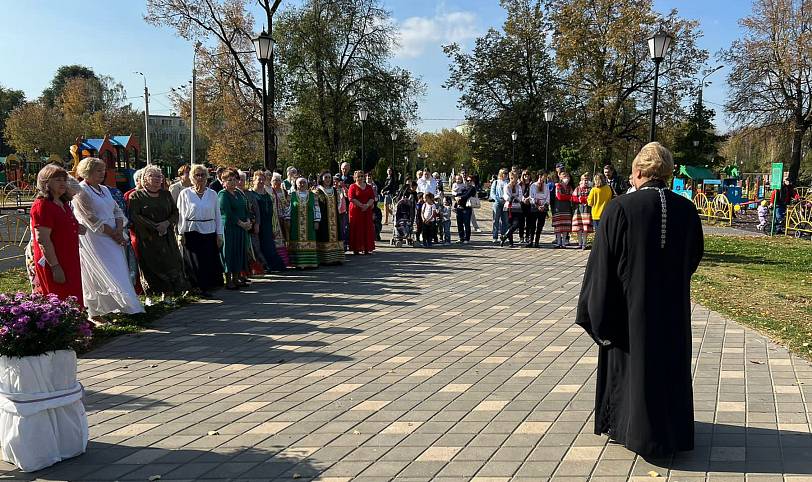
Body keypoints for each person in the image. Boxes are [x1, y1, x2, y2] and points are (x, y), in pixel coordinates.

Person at [575, 141, 704, 456]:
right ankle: (670, 430)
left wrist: (597, 311)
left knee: (631, 364)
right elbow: (694, 256)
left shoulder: (620, 208)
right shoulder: (687, 209)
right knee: (669, 364)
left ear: (638, 171)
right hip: (671, 305)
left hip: (629, 308)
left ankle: (632, 428)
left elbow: (602, 264)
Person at [72, 157, 144, 321]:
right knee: (99, 271)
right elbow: (90, 218)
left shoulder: (104, 189)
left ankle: (119, 305)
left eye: (103, 170)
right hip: (96, 237)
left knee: (117, 269)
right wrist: (113, 233)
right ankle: (96, 311)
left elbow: (117, 210)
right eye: (98, 170)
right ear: (87, 172)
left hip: (113, 236)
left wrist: (119, 230)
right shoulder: (81, 190)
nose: (102, 173)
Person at [128, 165, 188, 296]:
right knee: (152, 265)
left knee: (171, 263)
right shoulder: (136, 196)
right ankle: (155, 294)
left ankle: (172, 293)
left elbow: (175, 212)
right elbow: (135, 216)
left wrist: (166, 223)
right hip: (148, 239)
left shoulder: (166, 194)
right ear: (144, 178)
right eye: (152, 176)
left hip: (167, 237)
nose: (156, 179)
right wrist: (155, 226)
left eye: (159, 176)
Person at [29, 164, 84, 304]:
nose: (63, 183)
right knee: (58, 296)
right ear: (46, 183)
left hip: (69, 256)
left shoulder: (62, 202)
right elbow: (43, 239)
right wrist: (55, 266)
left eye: (64, 180)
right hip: (54, 259)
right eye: (58, 180)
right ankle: (64, 325)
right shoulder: (43, 205)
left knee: (73, 294)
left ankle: (77, 323)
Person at [177, 164, 225, 297]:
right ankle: (196, 287)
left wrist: (219, 234)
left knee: (207, 261)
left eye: (203, 175)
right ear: (192, 177)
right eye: (197, 175)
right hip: (192, 231)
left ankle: (207, 287)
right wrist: (181, 233)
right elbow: (181, 215)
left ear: (207, 177)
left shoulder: (212, 194)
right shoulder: (185, 194)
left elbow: (217, 215)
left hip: (209, 231)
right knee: (194, 262)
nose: (200, 177)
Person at [218, 168, 251, 289]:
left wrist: (248, 221)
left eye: (234, 180)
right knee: (229, 252)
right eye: (229, 180)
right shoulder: (222, 194)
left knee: (239, 251)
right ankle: (228, 279)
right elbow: (227, 212)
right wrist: (241, 223)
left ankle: (236, 278)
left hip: (241, 228)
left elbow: (245, 208)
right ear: (223, 182)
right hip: (229, 228)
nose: (232, 182)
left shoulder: (238, 193)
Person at [248, 171, 286, 272]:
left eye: (262, 179)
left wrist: (274, 226)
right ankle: (263, 266)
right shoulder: (251, 194)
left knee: (269, 245)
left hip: (268, 223)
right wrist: (255, 224)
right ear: (254, 180)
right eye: (258, 179)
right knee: (258, 247)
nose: (260, 181)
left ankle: (273, 265)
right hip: (257, 224)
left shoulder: (268, 194)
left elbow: (272, 211)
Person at [287, 177, 321, 267]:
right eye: (300, 183)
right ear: (296, 184)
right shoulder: (292, 195)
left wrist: (317, 220)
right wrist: (288, 220)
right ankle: (298, 263)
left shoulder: (312, 195)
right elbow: (288, 209)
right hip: (295, 224)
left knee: (310, 240)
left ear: (307, 184)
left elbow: (316, 208)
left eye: (304, 183)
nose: (302, 184)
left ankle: (310, 263)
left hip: (309, 224)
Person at [314, 172, 345, 265]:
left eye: (329, 177)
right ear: (321, 179)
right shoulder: (317, 191)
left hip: (334, 218)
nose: (328, 179)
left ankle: (336, 258)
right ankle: (325, 259)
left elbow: (339, 202)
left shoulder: (334, 190)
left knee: (336, 236)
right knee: (324, 236)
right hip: (324, 219)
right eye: (325, 177)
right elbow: (315, 206)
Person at [347, 170, 376, 254]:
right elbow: (351, 198)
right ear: (355, 178)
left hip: (367, 211)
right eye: (358, 176)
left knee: (366, 228)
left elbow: (372, 198)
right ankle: (356, 248)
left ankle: (367, 248)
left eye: (362, 176)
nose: (360, 178)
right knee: (357, 228)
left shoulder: (369, 187)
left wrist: (367, 205)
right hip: (356, 211)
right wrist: (361, 205)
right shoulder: (352, 186)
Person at [268, 173, 291, 267]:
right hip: (274, 218)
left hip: (284, 217)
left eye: (278, 180)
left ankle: (286, 259)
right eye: (274, 180)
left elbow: (288, 205)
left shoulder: (284, 192)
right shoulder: (270, 191)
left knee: (286, 237)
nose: (277, 182)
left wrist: (286, 216)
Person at [500, 171, 524, 247]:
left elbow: (520, 196)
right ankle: (511, 242)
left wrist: (516, 198)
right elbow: (507, 196)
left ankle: (504, 236)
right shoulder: (507, 186)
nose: (515, 180)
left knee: (516, 224)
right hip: (509, 208)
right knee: (509, 225)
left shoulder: (518, 187)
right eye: (513, 178)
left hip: (517, 208)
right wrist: (512, 198)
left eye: (516, 178)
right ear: (511, 178)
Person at [553, 171, 574, 248]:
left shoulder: (569, 187)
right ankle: (558, 242)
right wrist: (568, 197)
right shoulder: (558, 185)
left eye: (567, 176)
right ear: (560, 177)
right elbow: (559, 196)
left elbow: (573, 196)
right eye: (564, 176)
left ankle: (564, 242)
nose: (566, 177)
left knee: (565, 226)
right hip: (559, 208)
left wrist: (568, 196)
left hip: (567, 208)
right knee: (558, 226)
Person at [528, 172, 550, 248]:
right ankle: (531, 241)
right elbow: (531, 197)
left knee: (540, 225)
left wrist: (544, 206)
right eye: (544, 176)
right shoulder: (533, 185)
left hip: (543, 208)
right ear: (540, 176)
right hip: (535, 207)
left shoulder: (546, 186)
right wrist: (537, 205)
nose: (545, 178)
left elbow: (548, 197)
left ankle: (537, 241)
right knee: (532, 225)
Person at [571, 173, 593, 250]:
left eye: (587, 180)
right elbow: (573, 198)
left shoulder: (591, 189)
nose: (585, 181)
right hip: (578, 210)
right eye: (584, 179)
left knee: (585, 227)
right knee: (579, 227)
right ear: (581, 180)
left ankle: (584, 243)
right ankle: (580, 243)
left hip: (587, 210)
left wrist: (585, 200)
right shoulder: (577, 188)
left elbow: (591, 198)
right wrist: (580, 199)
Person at [455, 176, 477, 244]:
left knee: (466, 223)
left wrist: (459, 197)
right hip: (460, 207)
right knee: (459, 223)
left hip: (467, 208)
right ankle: (461, 237)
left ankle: (467, 238)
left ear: (473, 181)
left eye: (470, 180)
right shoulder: (465, 187)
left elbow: (467, 195)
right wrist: (457, 195)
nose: (469, 182)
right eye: (467, 180)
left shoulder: (472, 188)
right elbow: (460, 193)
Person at [490, 169, 508, 245]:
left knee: (505, 221)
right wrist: (498, 199)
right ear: (501, 174)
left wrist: (506, 199)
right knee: (496, 220)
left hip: (505, 203)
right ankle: (495, 237)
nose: (506, 175)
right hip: (497, 203)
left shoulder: (507, 182)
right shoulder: (496, 182)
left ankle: (504, 236)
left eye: (507, 173)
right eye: (505, 173)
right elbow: (492, 193)